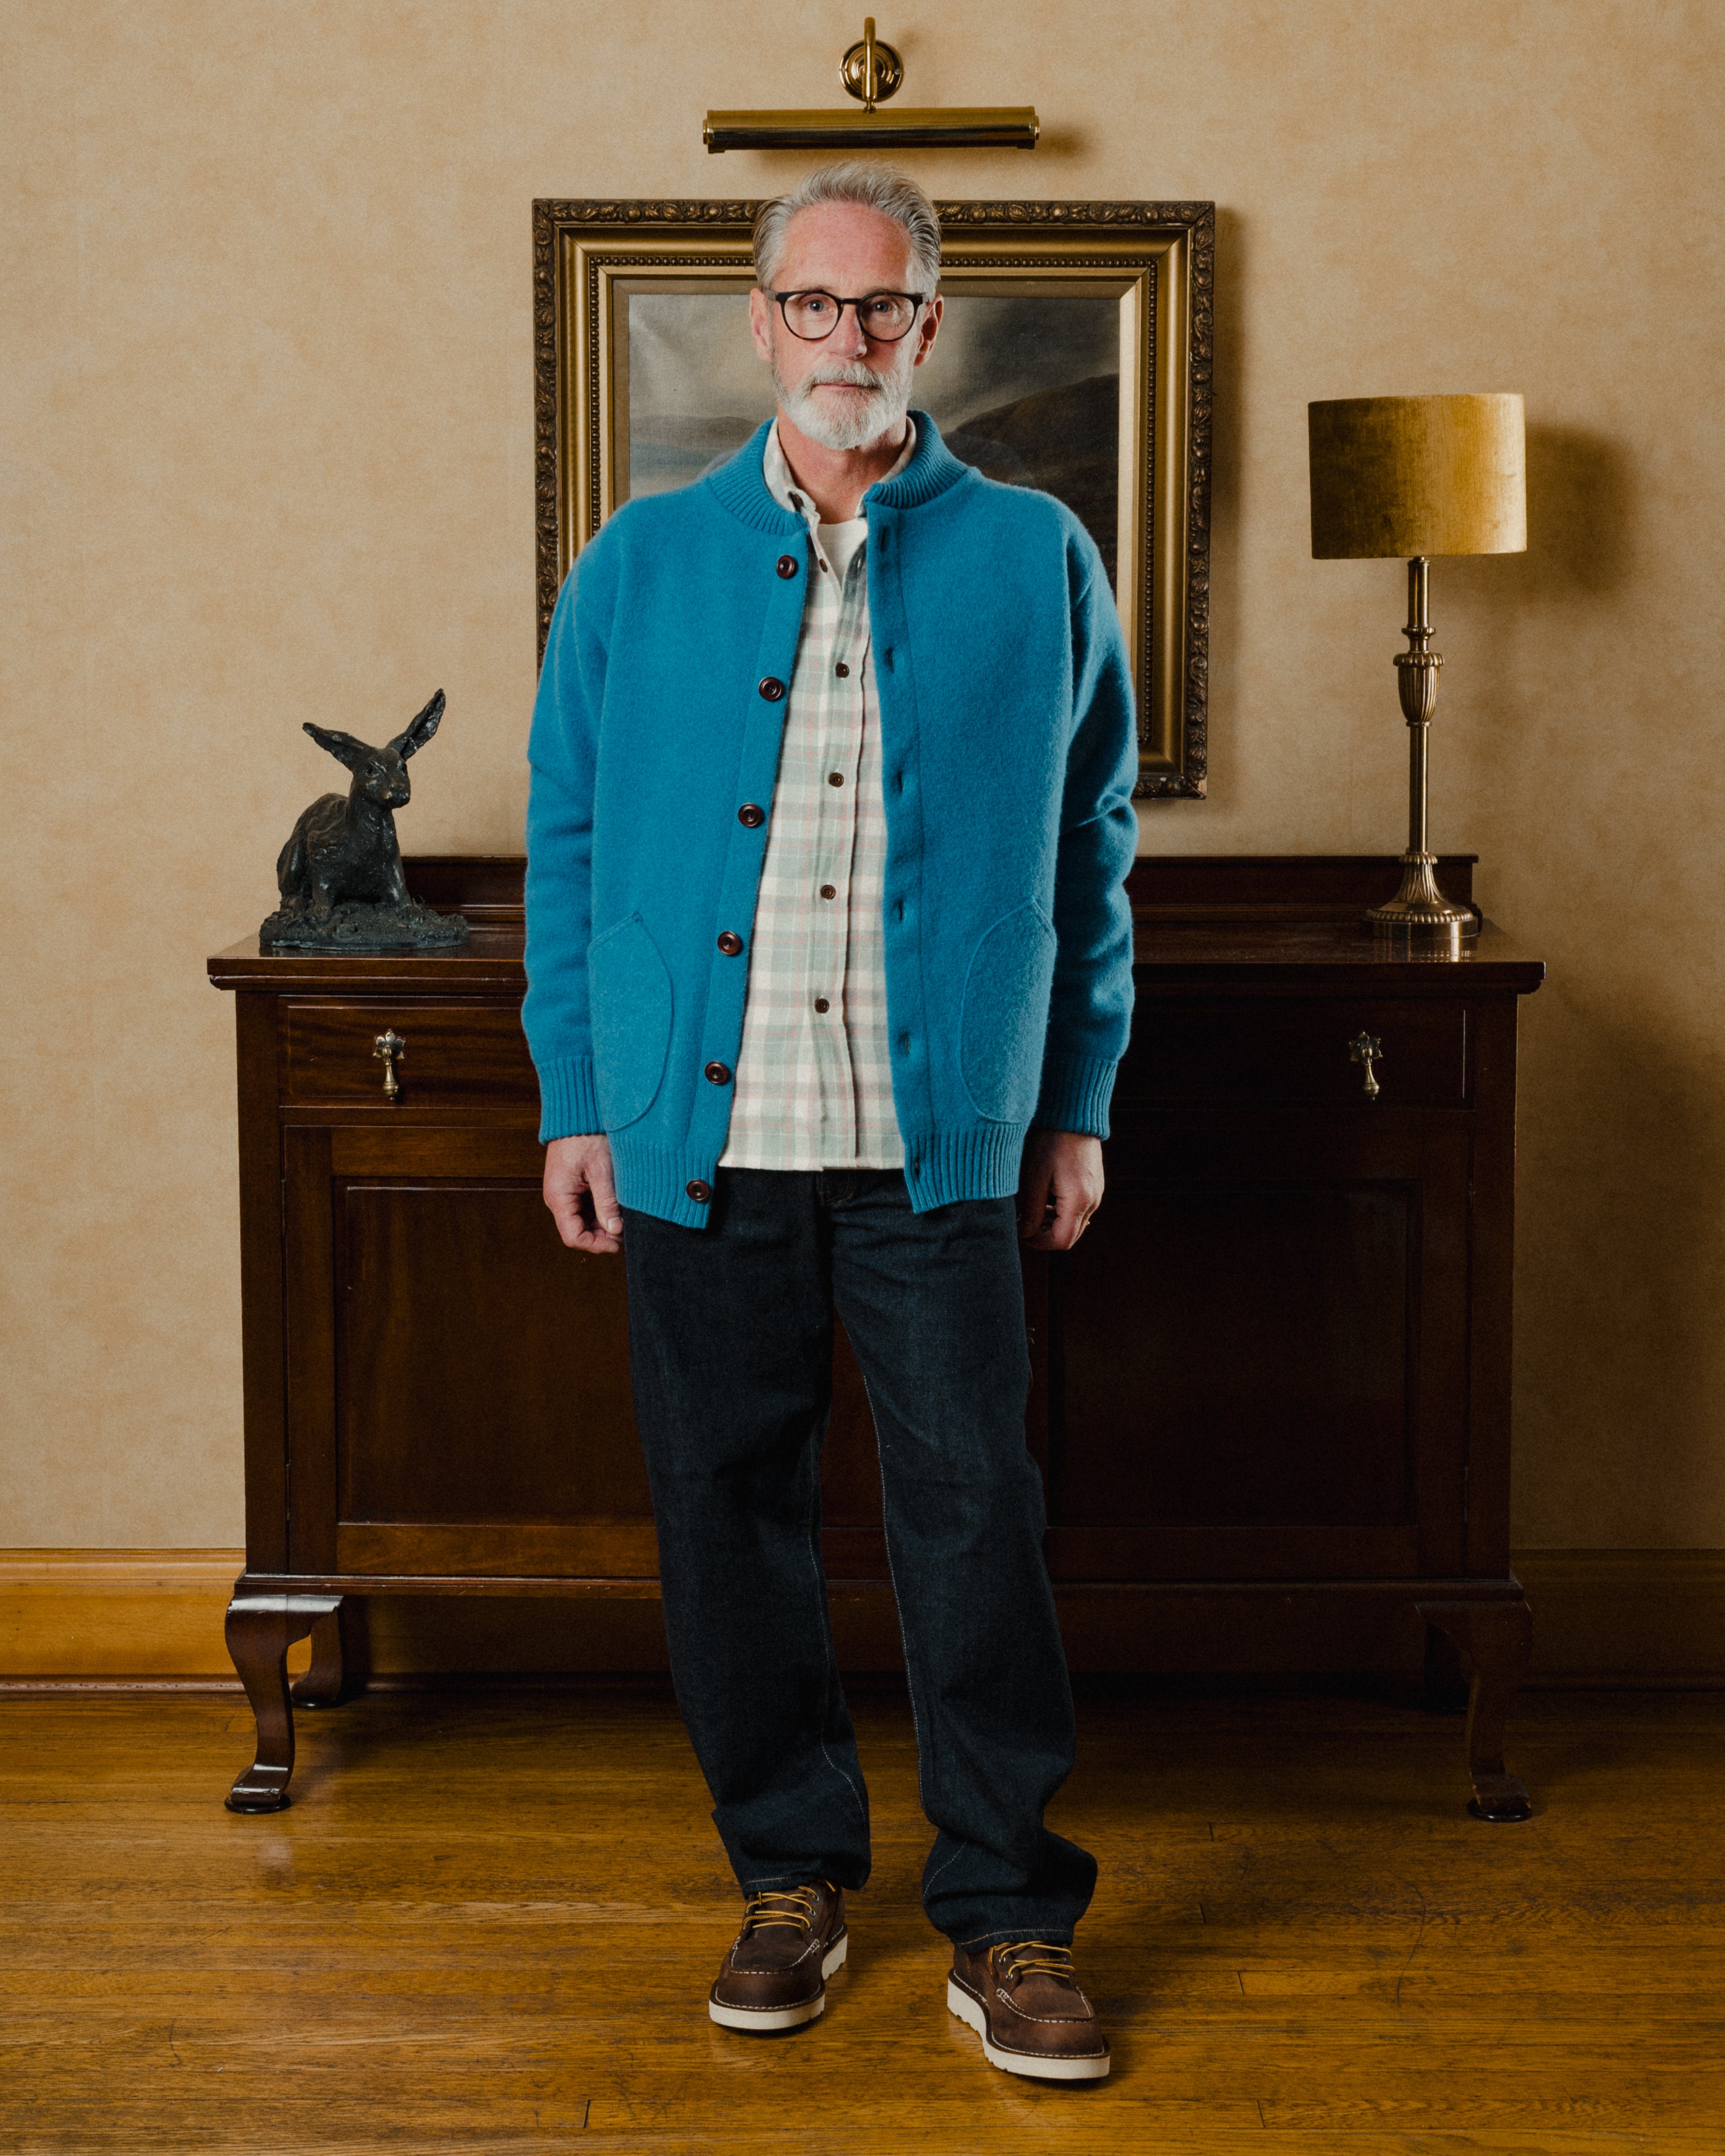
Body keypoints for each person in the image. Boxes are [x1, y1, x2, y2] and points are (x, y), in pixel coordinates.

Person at [523, 160, 1137, 2083]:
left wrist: (1076, 1104)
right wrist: (582, 1098)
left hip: (935, 1134)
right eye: (812, 306)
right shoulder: (638, 560)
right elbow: (571, 842)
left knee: (975, 1517)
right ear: (763, 316)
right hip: (704, 1133)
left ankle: (1010, 1918)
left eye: (881, 310)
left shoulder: (1039, 554)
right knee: (727, 1516)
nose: (845, 341)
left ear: (927, 327)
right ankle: (790, 1876)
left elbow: (1090, 851)